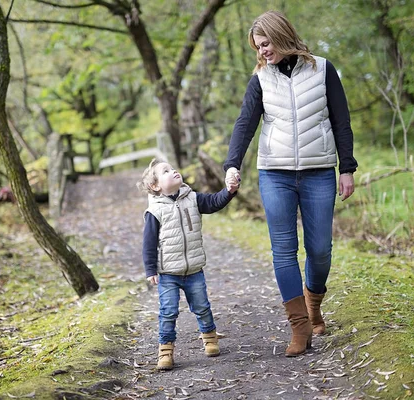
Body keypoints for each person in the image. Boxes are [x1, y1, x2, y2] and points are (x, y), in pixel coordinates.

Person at [224, 10, 358, 357]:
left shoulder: (323, 69)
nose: (263, 51)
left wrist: (347, 167)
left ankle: (314, 303)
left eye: (266, 44)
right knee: (283, 251)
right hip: (275, 173)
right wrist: (232, 165)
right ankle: (300, 327)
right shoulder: (260, 79)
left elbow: (341, 120)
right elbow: (244, 124)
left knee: (319, 250)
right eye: (258, 46)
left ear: (281, 36)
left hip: (318, 172)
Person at [138, 158, 239, 370]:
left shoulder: (192, 198)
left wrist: (228, 191)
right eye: (166, 171)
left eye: (173, 168)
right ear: (156, 186)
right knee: (168, 311)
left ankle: (210, 338)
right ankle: (165, 351)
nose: (173, 171)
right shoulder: (155, 211)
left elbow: (213, 202)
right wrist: (150, 269)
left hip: (194, 270)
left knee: (202, 307)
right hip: (168, 273)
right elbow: (148, 243)